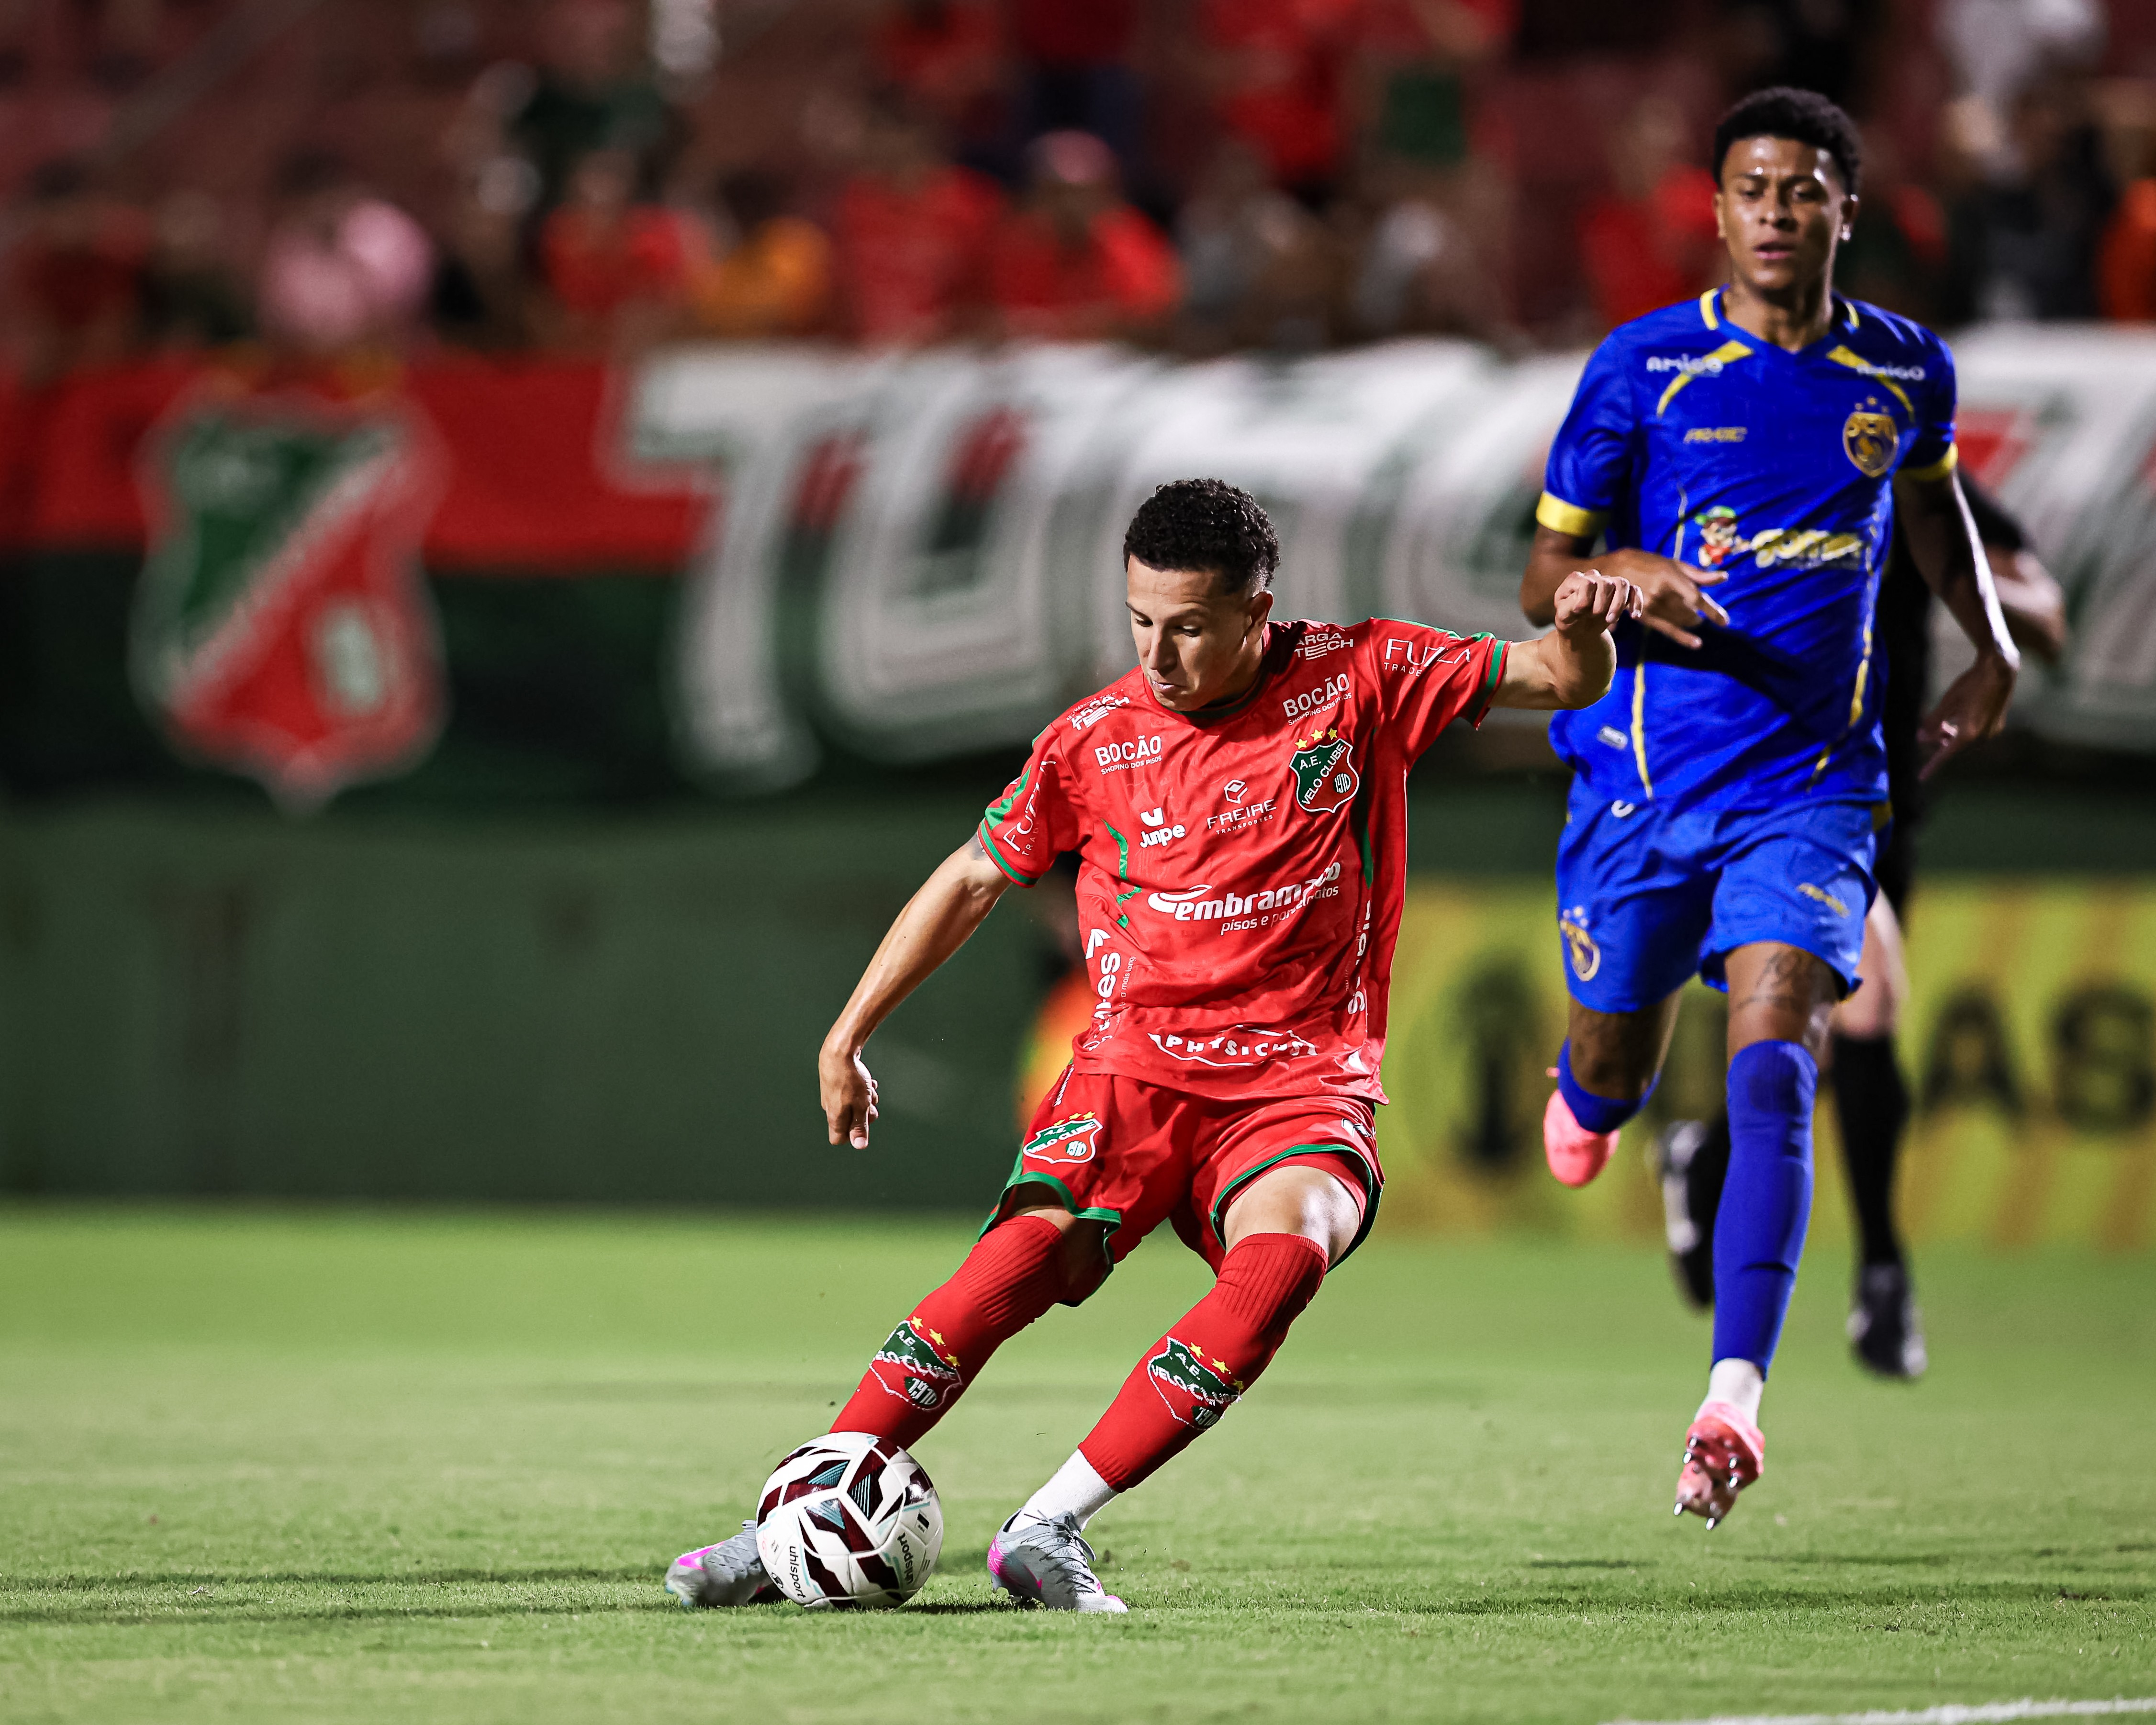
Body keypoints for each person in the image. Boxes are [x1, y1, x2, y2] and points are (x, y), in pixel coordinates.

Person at [669, 477, 1640, 1611]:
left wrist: (1577, 626)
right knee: (1010, 1265)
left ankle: (1047, 1525)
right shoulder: (1091, 738)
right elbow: (976, 874)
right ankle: (798, 1514)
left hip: (1298, 1078)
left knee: (1285, 1256)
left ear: (1256, 610)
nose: (1159, 653)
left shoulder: (1363, 673)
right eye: (1140, 622)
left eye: (1187, 626)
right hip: (1132, 1069)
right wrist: (848, 1030)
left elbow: (1560, 679)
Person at [1520, 88, 2021, 1530]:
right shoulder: (1642, 369)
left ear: (1841, 210)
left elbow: (1932, 515)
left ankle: (1730, 1397)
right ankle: (1597, 1090)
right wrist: (1625, 574)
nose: (1775, 212)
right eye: (1751, 188)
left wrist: (1985, 647)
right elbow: (1536, 582)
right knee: (1606, 1067)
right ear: (1719, 208)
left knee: (1777, 1057)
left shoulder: (1899, 371)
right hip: (1641, 776)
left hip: (1811, 781)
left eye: (1802, 189)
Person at [1656, 471, 2067, 1378]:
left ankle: (1706, 1159)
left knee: (1822, 1034)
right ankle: (1884, 1271)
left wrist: (1947, 566)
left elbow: (2046, 611)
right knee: (1869, 996)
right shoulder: (1734, 464)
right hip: (1770, 791)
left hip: (1888, 797)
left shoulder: (1915, 476)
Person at [987, 130, 1178, 341]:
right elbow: (1000, 317)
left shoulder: (1131, 239)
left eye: (1083, 193)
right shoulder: (1015, 245)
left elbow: (1149, 314)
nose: (1070, 205)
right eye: (1056, 193)